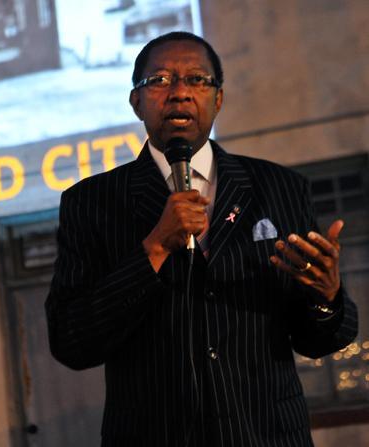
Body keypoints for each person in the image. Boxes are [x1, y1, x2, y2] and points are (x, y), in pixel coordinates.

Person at [45, 31, 358, 447]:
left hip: (266, 436)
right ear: (136, 101)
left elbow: (321, 339)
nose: (179, 93)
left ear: (218, 99)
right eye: (159, 81)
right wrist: (154, 247)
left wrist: (326, 297)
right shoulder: (91, 203)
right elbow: (72, 341)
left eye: (197, 79)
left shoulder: (280, 187)